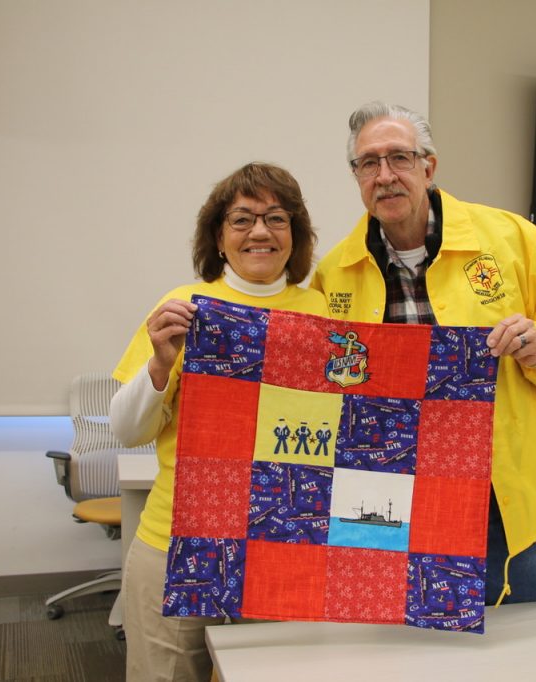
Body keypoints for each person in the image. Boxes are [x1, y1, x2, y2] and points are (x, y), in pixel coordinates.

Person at [311, 101, 536, 605]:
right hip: (392, 496)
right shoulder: (335, 271)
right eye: (368, 163)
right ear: (356, 176)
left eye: (399, 158)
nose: (384, 176)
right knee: (414, 650)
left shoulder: (515, 241)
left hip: (504, 493)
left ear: (428, 165)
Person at [110, 162, 327, 682]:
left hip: (284, 546)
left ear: (294, 235)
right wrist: (161, 363)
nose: (260, 231)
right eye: (242, 219)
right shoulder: (183, 308)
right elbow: (127, 430)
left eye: (277, 218)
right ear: (218, 236)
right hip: (178, 541)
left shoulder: (323, 314)